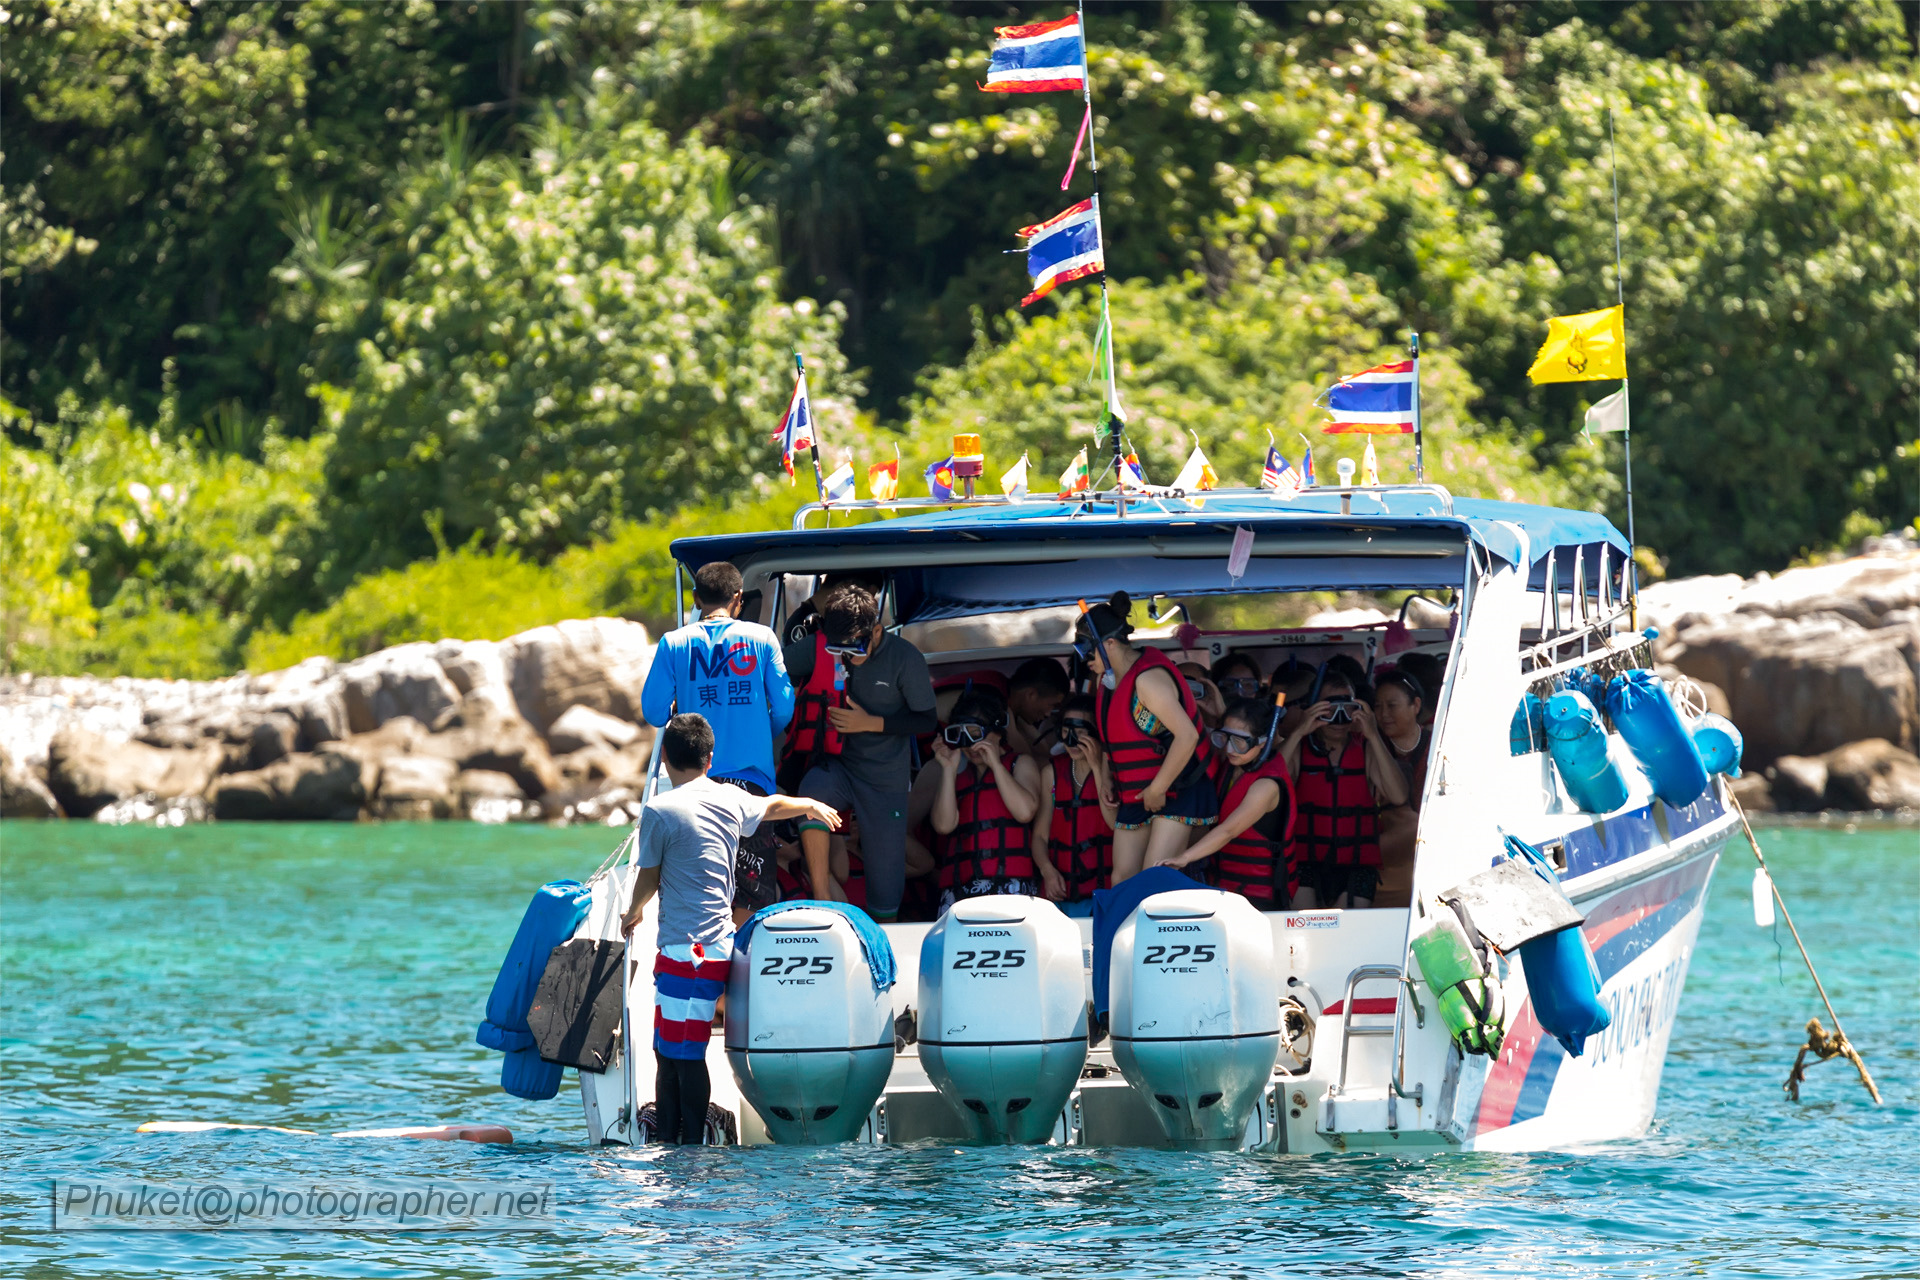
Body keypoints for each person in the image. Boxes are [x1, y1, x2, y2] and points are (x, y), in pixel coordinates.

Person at [619, 714, 840, 1144]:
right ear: (710, 759)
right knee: (668, 1052)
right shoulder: (730, 799)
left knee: (680, 1056)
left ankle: (686, 1151)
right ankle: (670, 1144)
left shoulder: (659, 810)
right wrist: (808, 804)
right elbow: (772, 804)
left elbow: (648, 876)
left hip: (687, 953)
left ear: (664, 757)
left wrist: (633, 911)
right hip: (712, 950)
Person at [641, 561, 795, 926]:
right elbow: (785, 706)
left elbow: (654, 711)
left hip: (697, 782)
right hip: (752, 784)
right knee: (753, 889)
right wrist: (759, 732)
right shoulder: (762, 639)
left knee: (705, 881)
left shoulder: (674, 642)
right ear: (738, 597)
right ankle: (736, 964)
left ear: (696, 598)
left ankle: (710, 965)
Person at [784, 584, 936, 922]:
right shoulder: (821, 648)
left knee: (886, 879)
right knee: (811, 796)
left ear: (877, 631)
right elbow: (771, 669)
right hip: (836, 766)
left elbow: (926, 719)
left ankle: (886, 941)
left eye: (856, 646)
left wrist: (871, 723)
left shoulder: (905, 658)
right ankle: (822, 898)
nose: (849, 656)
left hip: (884, 778)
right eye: (840, 649)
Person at [1079, 591, 1216, 885]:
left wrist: (1158, 787)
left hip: (1177, 788)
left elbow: (1187, 736)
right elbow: (1112, 742)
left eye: (1087, 651)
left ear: (1110, 644)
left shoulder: (1148, 680)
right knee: (1122, 879)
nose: (1085, 660)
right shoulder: (1108, 682)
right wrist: (1104, 778)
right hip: (1138, 793)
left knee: (1155, 876)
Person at [1280, 666, 1407, 908]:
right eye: (1329, 709)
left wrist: (1373, 735)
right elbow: (1272, 782)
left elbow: (1398, 795)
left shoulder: (1367, 748)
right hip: (1306, 860)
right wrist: (1298, 732)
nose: (1339, 719)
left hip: (1357, 863)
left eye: (1346, 708)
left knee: (1347, 926)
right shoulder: (1299, 747)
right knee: (1307, 927)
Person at [1160, 698, 1297, 908]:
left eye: (1240, 741)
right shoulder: (1232, 767)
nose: (1230, 748)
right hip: (1224, 890)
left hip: (1260, 900)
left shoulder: (1266, 786)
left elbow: (1228, 831)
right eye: (1225, 737)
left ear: (1263, 741)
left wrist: (1183, 858)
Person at [931, 687, 1045, 907]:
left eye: (976, 734)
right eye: (960, 735)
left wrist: (995, 764)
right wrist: (947, 769)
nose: (971, 746)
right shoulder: (957, 774)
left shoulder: (1019, 764)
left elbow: (1025, 812)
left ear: (997, 731)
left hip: (1010, 887)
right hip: (961, 890)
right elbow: (943, 826)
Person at [1030, 694, 1118, 915]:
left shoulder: (1114, 773)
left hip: (1103, 894)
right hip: (1058, 895)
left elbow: (1114, 824)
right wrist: (1047, 870)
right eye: (1067, 731)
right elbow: (1040, 836)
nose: (1072, 740)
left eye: (1081, 732)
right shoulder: (1051, 773)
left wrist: (1098, 768)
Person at [1005, 656, 1071, 758]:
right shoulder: (997, 708)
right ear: (1031, 695)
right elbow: (1024, 759)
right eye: (1051, 705)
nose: (1048, 714)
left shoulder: (1016, 712)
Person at [1176, 660, 1228, 730]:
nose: (1185, 697)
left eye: (1193, 687)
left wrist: (1222, 715)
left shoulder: (1218, 733)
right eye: (1178, 687)